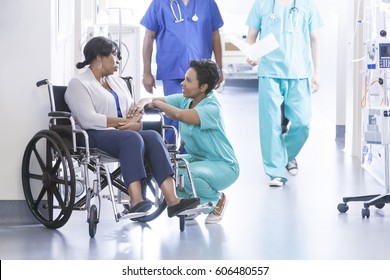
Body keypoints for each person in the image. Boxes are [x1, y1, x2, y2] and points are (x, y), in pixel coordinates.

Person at [64, 36, 200, 218]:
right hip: (92, 135)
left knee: (152, 136)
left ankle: (173, 200)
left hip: (123, 135)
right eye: (114, 55)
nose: (118, 60)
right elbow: (88, 119)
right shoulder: (79, 84)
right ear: (99, 57)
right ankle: (136, 201)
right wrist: (124, 123)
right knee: (132, 138)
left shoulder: (118, 82)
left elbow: (133, 111)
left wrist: (136, 120)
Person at [133, 59, 239, 224]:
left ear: (203, 87)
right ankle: (194, 202)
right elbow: (151, 99)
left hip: (223, 165)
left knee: (184, 173)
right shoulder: (186, 100)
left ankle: (216, 201)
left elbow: (179, 115)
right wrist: (141, 104)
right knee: (159, 166)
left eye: (188, 81)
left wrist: (157, 103)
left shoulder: (211, 108)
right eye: (184, 78)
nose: (182, 83)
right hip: (198, 160)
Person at [245, 0, 323, 187]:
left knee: (303, 123)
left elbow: (315, 38)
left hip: (299, 72)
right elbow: (251, 38)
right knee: (270, 125)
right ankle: (276, 173)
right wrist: (251, 54)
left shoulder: (307, 5)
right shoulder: (261, 5)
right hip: (270, 72)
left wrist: (316, 72)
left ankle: (286, 156)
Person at [140, 0, 224, 146]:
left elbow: (215, 35)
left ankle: (193, 158)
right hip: (172, 70)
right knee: (173, 118)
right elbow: (149, 36)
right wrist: (146, 72)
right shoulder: (160, 3)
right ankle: (172, 158)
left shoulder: (208, 3)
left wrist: (219, 67)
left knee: (197, 116)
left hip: (201, 75)